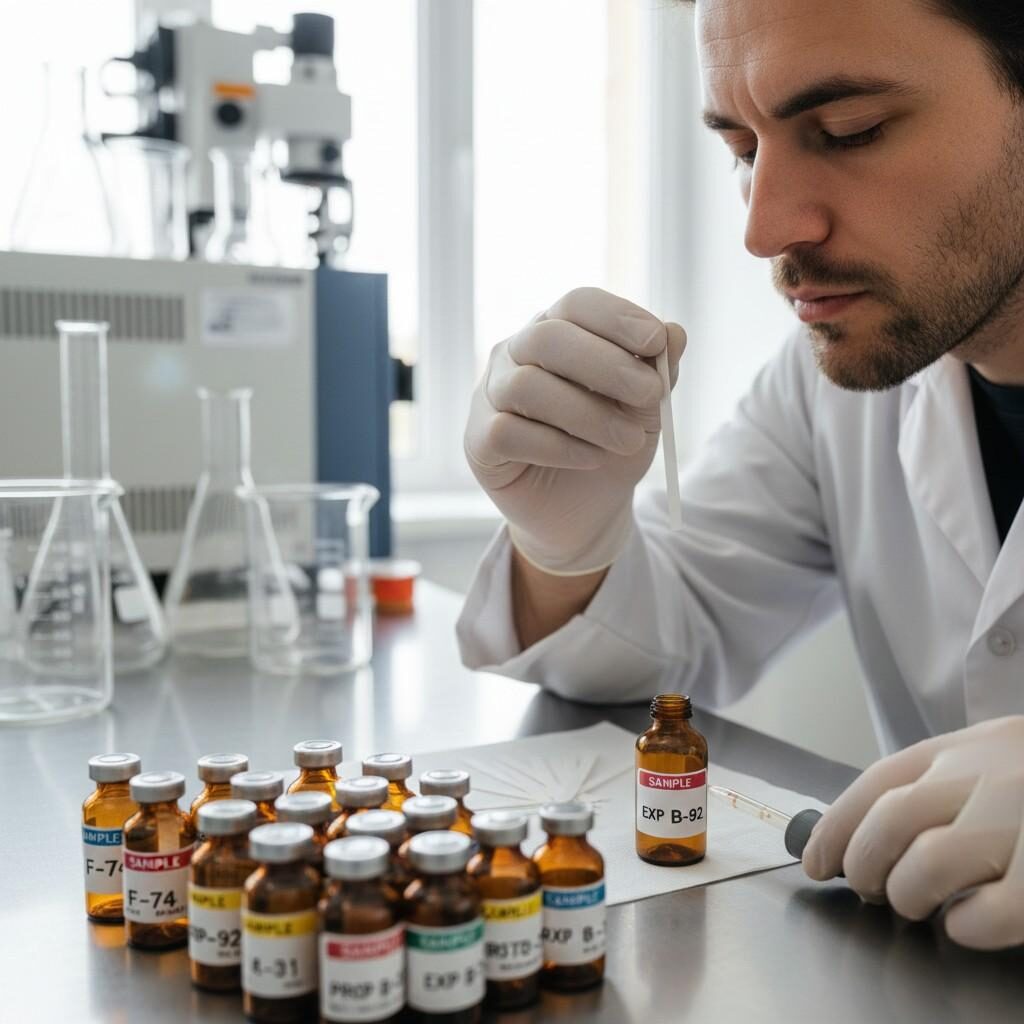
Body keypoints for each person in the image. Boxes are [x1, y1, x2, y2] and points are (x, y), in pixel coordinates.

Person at [457, 0, 1024, 951]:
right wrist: (565, 543)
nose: (765, 229)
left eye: (851, 131)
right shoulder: (841, 389)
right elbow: (661, 649)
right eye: (741, 149)